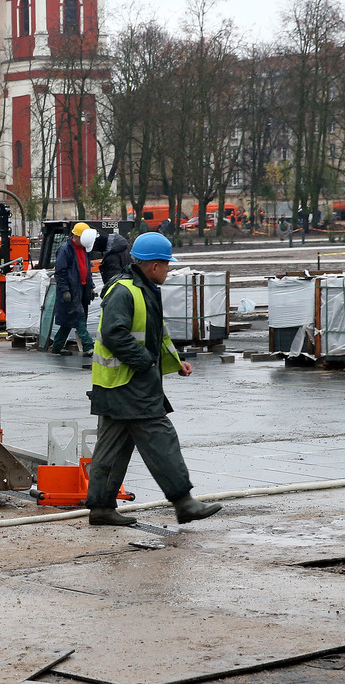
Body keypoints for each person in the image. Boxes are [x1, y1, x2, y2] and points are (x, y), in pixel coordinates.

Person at [85, 231, 221, 527]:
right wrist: (145, 362)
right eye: (167, 265)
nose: (169, 270)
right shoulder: (125, 291)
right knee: (161, 438)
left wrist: (175, 363)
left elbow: (155, 335)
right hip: (129, 384)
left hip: (118, 384)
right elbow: (113, 333)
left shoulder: (143, 289)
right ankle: (184, 503)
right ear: (154, 266)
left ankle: (101, 507)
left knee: (113, 446)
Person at [50, 223, 96, 357]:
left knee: (69, 321)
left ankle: (57, 346)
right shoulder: (65, 250)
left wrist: (90, 287)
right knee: (79, 317)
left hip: (81, 289)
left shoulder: (84, 249)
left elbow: (87, 270)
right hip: (72, 290)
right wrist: (65, 290)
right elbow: (60, 272)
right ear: (77, 236)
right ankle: (88, 346)